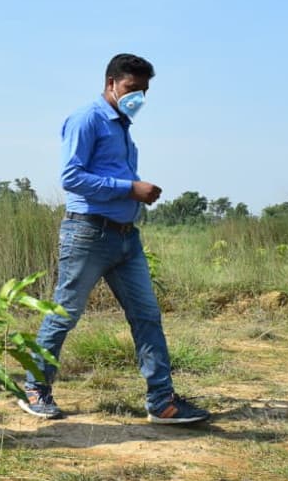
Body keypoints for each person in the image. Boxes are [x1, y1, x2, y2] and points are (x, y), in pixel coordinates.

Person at [21, 53, 210, 425]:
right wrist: (129, 188)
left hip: (126, 239)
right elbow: (71, 178)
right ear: (111, 84)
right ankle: (34, 388)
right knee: (64, 314)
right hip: (87, 234)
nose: (138, 96)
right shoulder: (86, 119)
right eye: (131, 88)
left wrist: (135, 194)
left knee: (147, 317)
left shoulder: (122, 126)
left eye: (143, 90)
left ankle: (162, 401)